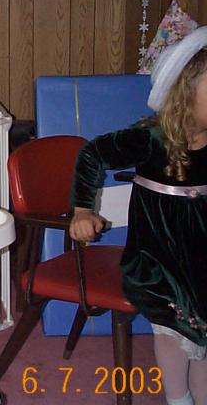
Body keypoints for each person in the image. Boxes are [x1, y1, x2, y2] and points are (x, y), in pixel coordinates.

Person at [69, 26, 207, 405]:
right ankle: (177, 399)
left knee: (203, 340)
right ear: (185, 92)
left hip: (200, 257)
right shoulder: (151, 139)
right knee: (172, 331)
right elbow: (92, 154)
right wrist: (83, 209)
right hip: (157, 261)